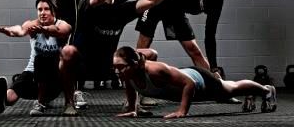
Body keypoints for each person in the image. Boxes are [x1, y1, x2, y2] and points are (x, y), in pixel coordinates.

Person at [72, 0, 180, 108]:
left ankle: (141, 94)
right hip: (84, 61)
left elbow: (150, 1)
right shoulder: (88, 3)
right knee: (69, 53)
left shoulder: (121, 7)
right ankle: (75, 92)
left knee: (150, 54)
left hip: (108, 62)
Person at [113, 46, 277, 119]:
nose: (117, 71)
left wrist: (182, 111)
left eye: (120, 67)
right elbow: (131, 91)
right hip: (185, 83)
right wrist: (132, 110)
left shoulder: (156, 70)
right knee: (227, 91)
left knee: (230, 89)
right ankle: (256, 91)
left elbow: (189, 84)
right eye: (115, 67)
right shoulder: (128, 75)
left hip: (199, 79)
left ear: (134, 64)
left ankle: (266, 90)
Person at [0, 0, 79, 116]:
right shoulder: (33, 24)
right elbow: (20, 29)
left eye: (46, 9)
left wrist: (44, 29)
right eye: (39, 9)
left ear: (54, 11)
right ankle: (1, 101)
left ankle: (67, 103)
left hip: (56, 77)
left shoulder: (62, 24)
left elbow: (60, 31)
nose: (42, 13)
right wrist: (10, 31)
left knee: (57, 55)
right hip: (32, 72)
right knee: (10, 97)